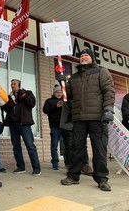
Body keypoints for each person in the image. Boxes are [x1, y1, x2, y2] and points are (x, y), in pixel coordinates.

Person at [59, 48, 115, 191]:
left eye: (86, 55)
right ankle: (73, 175)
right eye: (82, 56)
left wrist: (108, 109)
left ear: (92, 58)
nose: (83, 57)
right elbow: (69, 97)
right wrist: (63, 83)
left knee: (99, 149)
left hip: (98, 117)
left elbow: (109, 90)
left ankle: (101, 179)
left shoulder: (102, 72)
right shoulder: (75, 77)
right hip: (78, 118)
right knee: (76, 148)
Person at [4, 79, 41, 176]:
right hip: (13, 124)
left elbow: (32, 104)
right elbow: (6, 108)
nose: (12, 85)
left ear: (19, 85)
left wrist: (24, 96)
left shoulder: (27, 93)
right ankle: (20, 167)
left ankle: (36, 168)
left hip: (24, 123)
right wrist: (12, 102)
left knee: (30, 146)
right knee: (16, 147)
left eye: (14, 84)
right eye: (11, 84)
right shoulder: (9, 96)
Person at [60, 100, 93, 175]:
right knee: (69, 146)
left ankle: (85, 165)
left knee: (83, 146)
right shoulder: (68, 93)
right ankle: (70, 166)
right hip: (68, 125)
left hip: (80, 124)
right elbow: (71, 103)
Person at [43, 83, 63, 170]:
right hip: (54, 125)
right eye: (57, 92)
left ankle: (68, 162)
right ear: (54, 93)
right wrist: (56, 106)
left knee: (66, 145)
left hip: (64, 125)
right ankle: (55, 163)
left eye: (60, 92)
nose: (59, 94)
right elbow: (45, 110)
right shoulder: (49, 101)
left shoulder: (64, 100)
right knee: (54, 145)